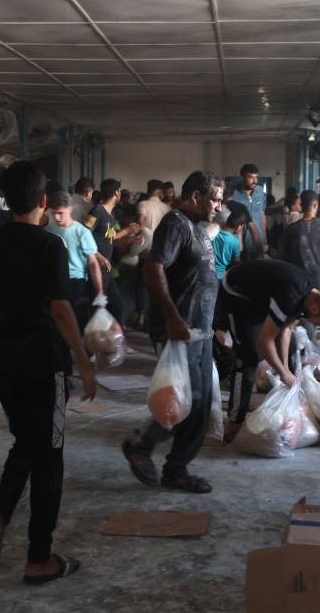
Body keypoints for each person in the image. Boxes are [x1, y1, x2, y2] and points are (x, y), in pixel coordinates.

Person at [0, 160, 96, 585]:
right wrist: (84, 363)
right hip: (44, 364)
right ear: (45, 202)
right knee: (48, 455)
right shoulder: (51, 246)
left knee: (27, 442)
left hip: (2, 364)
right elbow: (61, 308)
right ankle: (39, 558)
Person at [122, 171, 223, 494]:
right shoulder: (176, 223)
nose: (219, 206)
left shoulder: (197, 228)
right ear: (195, 195)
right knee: (185, 399)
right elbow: (152, 268)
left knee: (200, 401)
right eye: (215, 199)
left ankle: (167, 460)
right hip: (180, 329)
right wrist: (173, 318)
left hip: (199, 330)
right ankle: (162, 460)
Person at [215, 259, 320, 437]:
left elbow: (286, 330)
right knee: (247, 359)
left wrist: (286, 370)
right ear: (315, 309)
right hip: (236, 294)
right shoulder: (291, 296)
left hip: (260, 295)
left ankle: (291, 405)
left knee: (291, 349)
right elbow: (265, 341)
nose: (316, 325)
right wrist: (283, 373)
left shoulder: (313, 293)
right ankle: (234, 422)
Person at [45, 189, 104, 331]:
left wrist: (100, 292)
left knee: (77, 324)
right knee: (56, 326)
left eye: (60, 213)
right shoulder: (49, 229)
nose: (57, 217)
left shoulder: (82, 232)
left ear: (69, 209)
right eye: (54, 214)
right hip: (54, 281)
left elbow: (92, 263)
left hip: (76, 283)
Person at [84, 178, 139, 326]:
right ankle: (92, 345)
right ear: (117, 192)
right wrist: (98, 255)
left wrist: (129, 233)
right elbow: (84, 232)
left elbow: (110, 236)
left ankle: (114, 344)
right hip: (96, 267)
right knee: (98, 308)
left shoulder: (110, 215)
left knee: (117, 306)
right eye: (119, 190)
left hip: (106, 269)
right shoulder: (96, 211)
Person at [278, 190, 320, 293]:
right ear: (315, 205)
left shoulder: (291, 229)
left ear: (301, 206)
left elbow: (280, 256)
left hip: (298, 279)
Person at [231, 164, 267, 261]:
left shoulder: (260, 192)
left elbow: (262, 215)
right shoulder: (233, 194)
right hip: (241, 245)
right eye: (250, 177)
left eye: (256, 177)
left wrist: (264, 238)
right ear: (242, 177)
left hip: (259, 243)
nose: (254, 181)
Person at [212, 208, 244, 281]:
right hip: (220, 275)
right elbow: (237, 261)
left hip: (208, 270)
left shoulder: (215, 232)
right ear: (239, 226)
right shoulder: (235, 242)